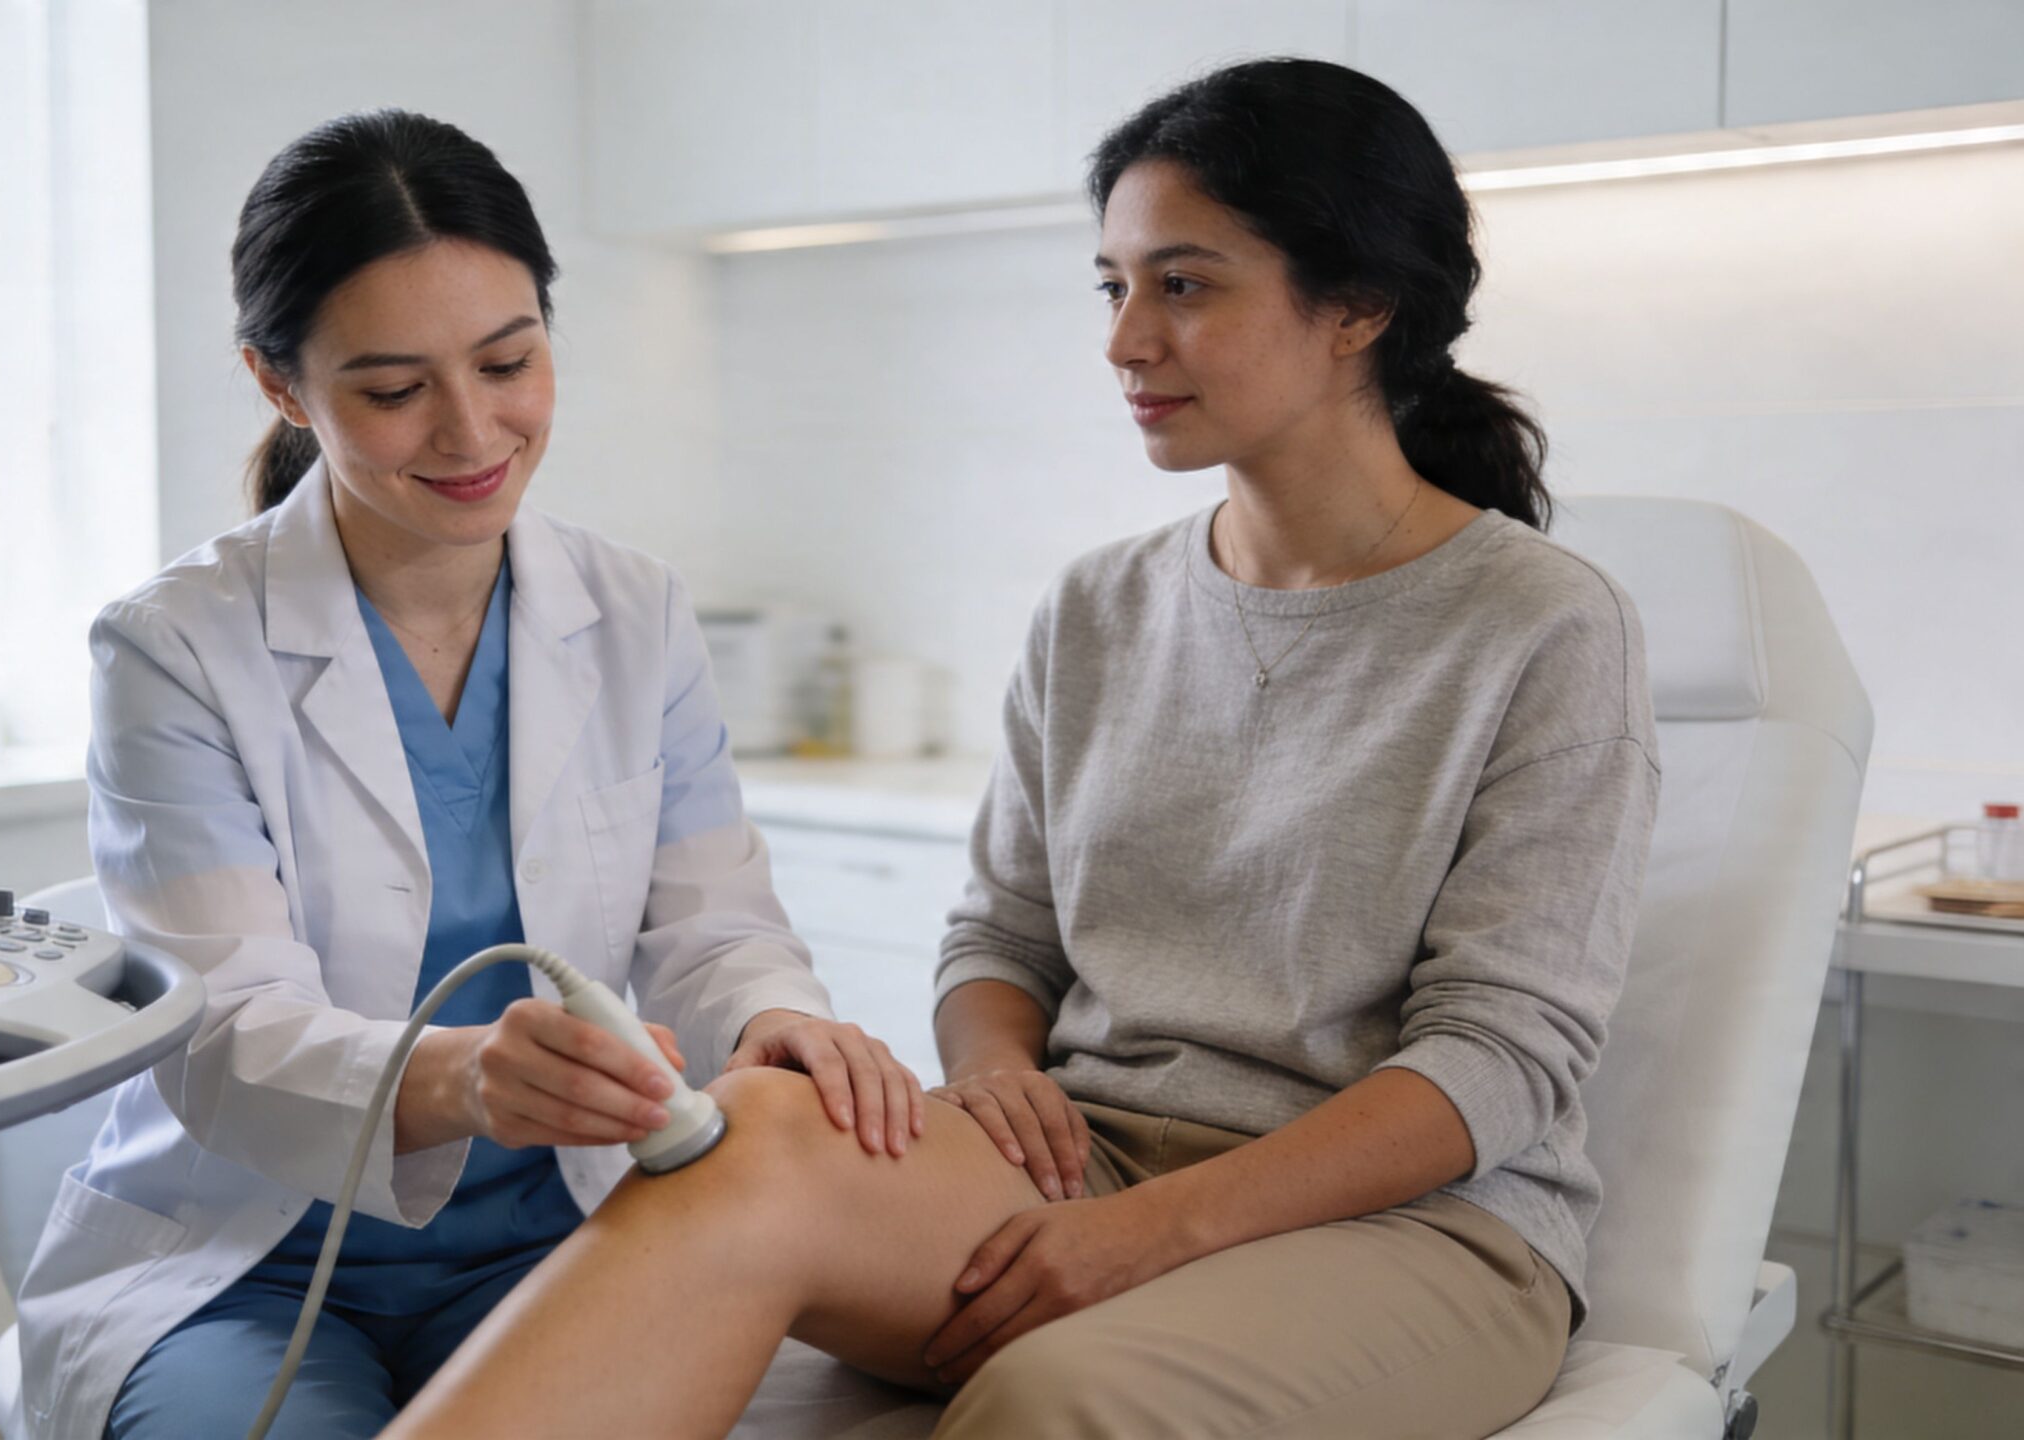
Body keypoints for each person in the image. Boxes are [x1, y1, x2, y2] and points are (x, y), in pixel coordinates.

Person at [379, 57, 1663, 1440]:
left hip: (1417, 1230)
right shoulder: (1098, 607)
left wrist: (1150, 1234)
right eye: (1113, 289)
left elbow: (1499, 1056)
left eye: (1184, 285)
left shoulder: (1540, 624)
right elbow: (1000, 937)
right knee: (750, 1124)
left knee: (1055, 1396)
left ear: (1358, 306)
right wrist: (994, 1075)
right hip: (1079, 1154)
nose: (1125, 341)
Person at [7, 110, 926, 1440]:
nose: (473, 430)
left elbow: (713, 925)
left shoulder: (636, 611)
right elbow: (223, 1034)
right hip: (246, 1264)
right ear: (281, 385)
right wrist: (466, 1080)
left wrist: (773, 1018)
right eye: (395, 391)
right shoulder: (176, 646)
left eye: (509, 362)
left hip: (561, 1239)